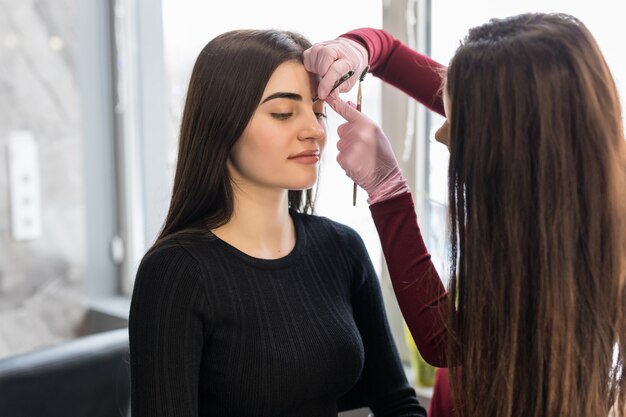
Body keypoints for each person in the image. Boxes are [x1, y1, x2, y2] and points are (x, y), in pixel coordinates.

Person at [304, 12, 626, 417]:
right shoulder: (537, 127)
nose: (440, 134)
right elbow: (387, 52)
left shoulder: (575, 245)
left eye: (454, 120)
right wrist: (358, 47)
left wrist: (388, 192)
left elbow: (446, 341)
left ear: (512, 144)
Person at [128, 29, 427, 417]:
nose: (315, 131)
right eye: (283, 114)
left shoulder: (342, 248)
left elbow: (397, 402)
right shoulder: (176, 273)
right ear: (223, 124)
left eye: (318, 112)